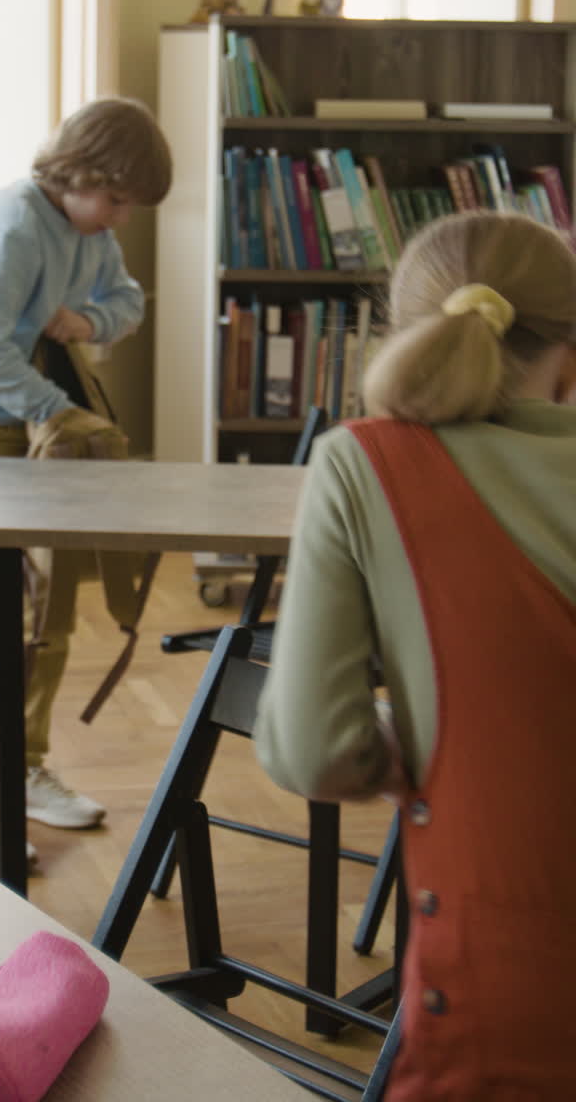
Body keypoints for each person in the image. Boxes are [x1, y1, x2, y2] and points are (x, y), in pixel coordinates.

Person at [253, 210, 576, 1099]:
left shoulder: (363, 466)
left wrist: (409, 733)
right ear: (571, 352)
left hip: (503, 987)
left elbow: (313, 751)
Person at [0, 96, 172, 874]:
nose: (124, 218)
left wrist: (83, 323)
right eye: (120, 199)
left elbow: (128, 301)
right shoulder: (11, 225)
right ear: (84, 173)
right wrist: (63, 412)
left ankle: (22, 767)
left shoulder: (86, 231)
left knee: (49, 613)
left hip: (43, 424)